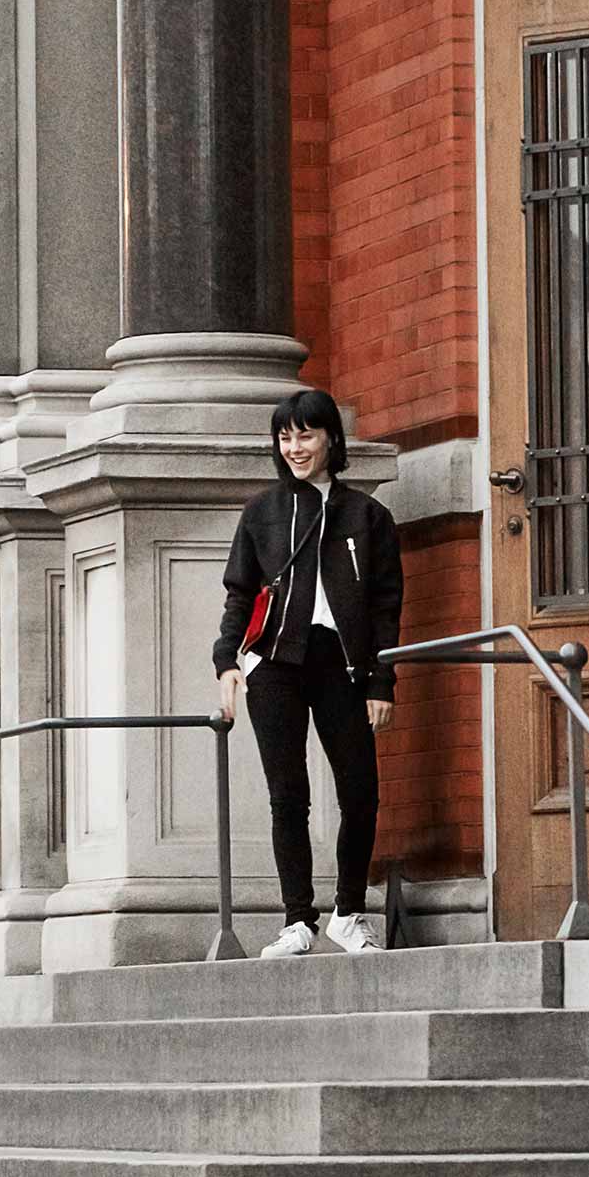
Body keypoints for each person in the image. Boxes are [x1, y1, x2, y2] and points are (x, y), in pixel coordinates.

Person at [214, 388, 404, 958]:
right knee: (287, 797)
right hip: (274, 664)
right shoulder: (262, 513)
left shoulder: (367, 517)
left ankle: (349, 913)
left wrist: (380, 681)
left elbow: (384, 608)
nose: (295, 447)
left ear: (331, 439)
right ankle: (298, 919)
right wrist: (228, 660)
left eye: (306, 434)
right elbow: (239, 593)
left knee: (360, 793)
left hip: (340, 664)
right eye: (285, 436)